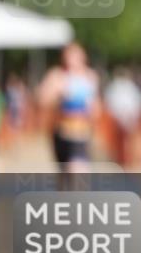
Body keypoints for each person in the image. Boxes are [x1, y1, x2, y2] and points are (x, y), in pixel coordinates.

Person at [38, 43, 101, 173]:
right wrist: (58, 94)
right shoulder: (57, 75)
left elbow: (97, 109)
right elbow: (41, 99)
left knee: (78, 172)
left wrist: (90, 106)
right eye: (69, 56)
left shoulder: (90, 77)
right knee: (65, 176)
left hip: (81, 134)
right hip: (61, 133)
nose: (72, 60)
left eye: (76, 56)